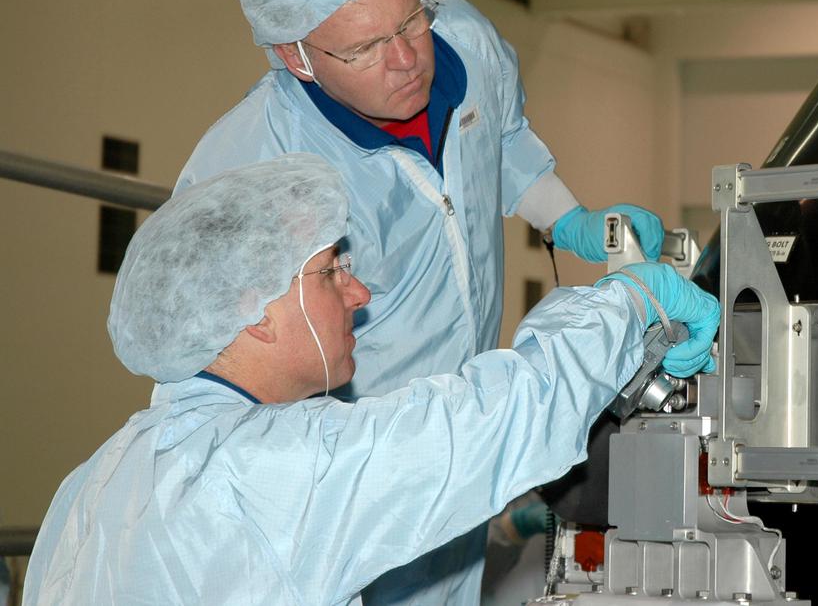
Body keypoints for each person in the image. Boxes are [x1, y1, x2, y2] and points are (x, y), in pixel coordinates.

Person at [177, 0, 686, 605]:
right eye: (364, 50)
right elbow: (214, 363)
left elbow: (500, 142)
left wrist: (570, 220)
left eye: (411, 19)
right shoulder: (254, 166)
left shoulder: (466, 41)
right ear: (292, 56)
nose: (408, 58)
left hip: (469, 431)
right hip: (352, 462)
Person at [22, 154, 720, 605]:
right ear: (255, 313)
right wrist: (630, 302)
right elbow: (487, 420)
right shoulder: (266, 470)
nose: (358, 292)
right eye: (330, 270)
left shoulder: (97, 477)